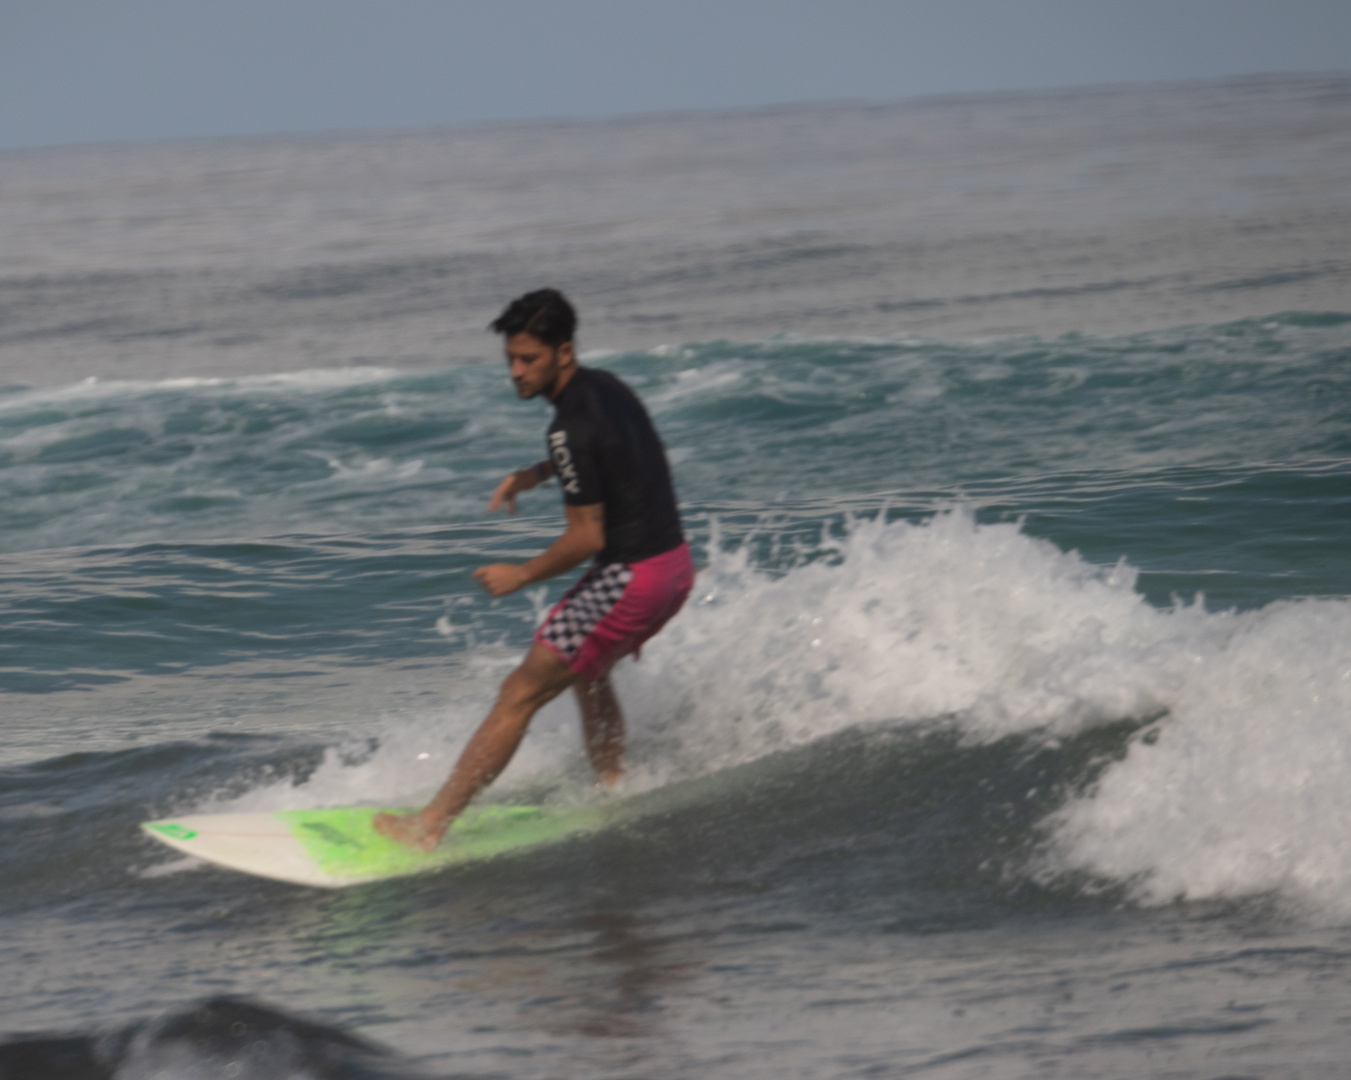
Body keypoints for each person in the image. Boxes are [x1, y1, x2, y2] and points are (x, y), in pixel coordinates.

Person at [375, 289, 693, 851]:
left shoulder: (568, 428)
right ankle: (614, 787)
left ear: (562, 352)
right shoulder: (607, 388)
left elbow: (586, 538)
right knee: (588, 672)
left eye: (529, 359)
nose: (517, 372)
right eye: (511, 360)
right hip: (672, 568)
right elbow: (614, 453)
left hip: (631, 578)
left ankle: (428, 827)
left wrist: (520, 574)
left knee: (518, 692)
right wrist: (539, 473)